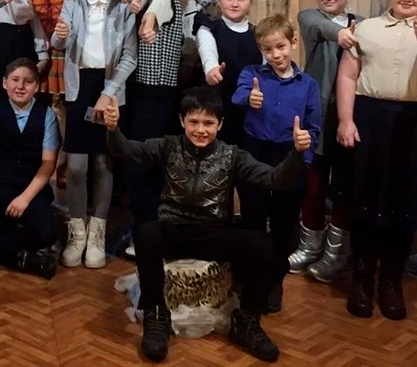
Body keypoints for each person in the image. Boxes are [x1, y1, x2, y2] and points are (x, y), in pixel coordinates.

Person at [106, 87, 310, 363]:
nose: (200, 130)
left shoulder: (232, 155)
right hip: (174, 230)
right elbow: (127, 151)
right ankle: (157, 315)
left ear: (220, 124)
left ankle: (246, 321)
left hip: (213, 233)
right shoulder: (168, 146)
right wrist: (113, 129)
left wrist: (296, 153)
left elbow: (276, 179)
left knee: (261, 243)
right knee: (146, 233)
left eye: (208, 123)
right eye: (193, 122)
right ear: (182, 121)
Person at [333, 0, 417, 321]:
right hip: (370, 122)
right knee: (364, 207)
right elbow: (348, 75)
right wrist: (345, 120)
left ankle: (390, 283)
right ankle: (361, 281)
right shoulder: (365, 29)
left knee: (405, 210)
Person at [50, 0, 137, 270]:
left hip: (111, 87)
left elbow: (130, 56)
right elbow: (59, 44)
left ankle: (97, 234)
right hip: (79, 88)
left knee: (102, 162)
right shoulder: (72, 5)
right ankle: (77, 232)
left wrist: (108, 92)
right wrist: (59, 36)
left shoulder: (125, 8)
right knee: (76, 166)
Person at [232, 15, 321, 313]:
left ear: (293, 43)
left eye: (280, 47)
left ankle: (274, 281)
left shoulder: (308, 85)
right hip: (254, 152)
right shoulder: (252, 74)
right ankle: (248, 275)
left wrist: (305, 157)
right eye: (268, 49)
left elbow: (314, 126)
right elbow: (237, 95)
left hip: (289, 155)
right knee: (253, 217)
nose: (276, 55)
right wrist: (250, 97)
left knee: (285, 222)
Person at [291, 0, 364, 281]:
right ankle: (310, 245)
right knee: (314, 181)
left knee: (344, 182)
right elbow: (321, 28)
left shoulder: (362, 24)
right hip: (317, 113)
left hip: (350, 115)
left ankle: (337, 252)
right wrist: (342, 34)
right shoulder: (309, 17)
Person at [0, 58, 60, 279]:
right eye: (15, 80)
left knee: (48, 231)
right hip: (0, 184)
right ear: (4, 83)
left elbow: (48, 164)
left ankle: (0, 248)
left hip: (31, 188)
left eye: (28, 82)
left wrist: (24, 199)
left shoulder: (47, 115)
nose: (20, 86)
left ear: (36, 86)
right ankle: (23, 256)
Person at [123, 0, 185, 228]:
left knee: (143, 161)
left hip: (155, 93)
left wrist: (147, 24)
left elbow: (152, 15)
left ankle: (147, 228)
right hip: (146, 91)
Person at [196, 0, 261, 145]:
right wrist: (211, 70)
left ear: (250, 4)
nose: (235, 4)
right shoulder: (208, 29)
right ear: (219, 1)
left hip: (249, 108)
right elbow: (207, 52)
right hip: (217, 102)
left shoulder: (259, 34)